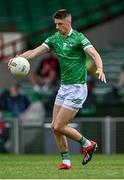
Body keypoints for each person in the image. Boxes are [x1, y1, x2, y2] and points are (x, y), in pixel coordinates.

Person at [8, 9, 106, 169]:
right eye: (56, 24)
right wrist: (17, 59)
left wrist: (100, 68)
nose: (57, 27)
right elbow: (34, 52)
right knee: (54, 126)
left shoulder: (79, 38)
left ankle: (88, 144)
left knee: (60, 126)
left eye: (60, 24)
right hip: (64, 88)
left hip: (77, 89)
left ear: (69, 23)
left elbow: (94, 54)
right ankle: (66, 162)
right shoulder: (54, 39)